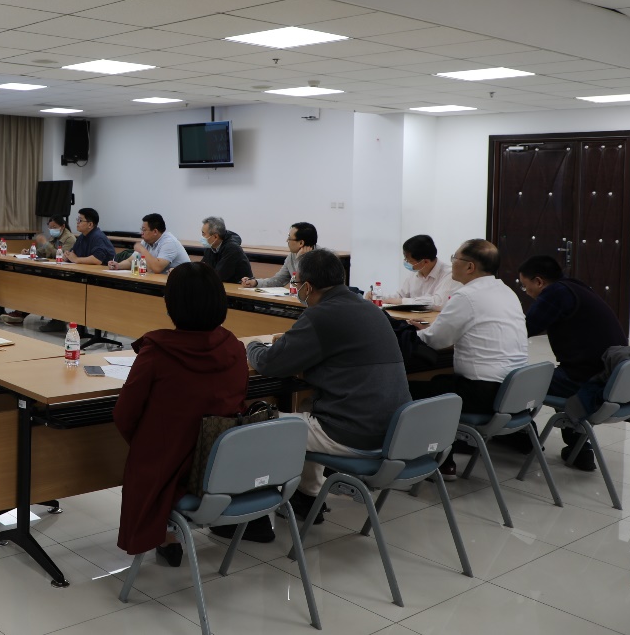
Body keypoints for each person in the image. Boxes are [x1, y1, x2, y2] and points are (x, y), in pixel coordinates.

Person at [246, 248, 411, 523]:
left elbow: (269, 364)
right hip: (394, 429)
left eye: (297, 283)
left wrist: (252, 345)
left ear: (308, 286)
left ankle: (253, 518)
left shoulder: (320, 315)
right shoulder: (369, 308)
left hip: (354, 433)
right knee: (307, 406)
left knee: (256, 422)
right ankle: (307, 497)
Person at [114, 262, 252, 566]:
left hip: (172, 470)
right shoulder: (233, 346)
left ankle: (166, 534)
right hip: (224, 466)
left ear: (171, 305)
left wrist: (153, 443)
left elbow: (124, 415)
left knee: (150, 455)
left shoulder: (158, 351)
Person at [407, 239, 528, 478]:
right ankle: (446, 457)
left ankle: (437, 462)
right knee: (440, 381)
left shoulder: (467, 296)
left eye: (455, 258)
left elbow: (434, 340)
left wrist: (413, 332)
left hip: (483, 392)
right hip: (514, 390)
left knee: (410, 389)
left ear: (470, 267)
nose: (452, 263)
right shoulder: (506, 292)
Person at [519, 255, 627, 472]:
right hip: (614, 376)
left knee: (517, 383)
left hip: (590, 378)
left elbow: (524, 329)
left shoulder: (555, 293)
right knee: (557, 377)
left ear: (539, 281)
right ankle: (580, 450)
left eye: (525, 286)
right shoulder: (575, 286)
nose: (526, 292)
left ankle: (516, 436)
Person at [12, 215, 76, 327]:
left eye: (54, 227)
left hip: (65, 273)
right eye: (50, 227)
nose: (52, 230)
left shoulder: (70, 239)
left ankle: (56, 320)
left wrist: (45, 243)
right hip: (51, 270)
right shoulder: (54, 237)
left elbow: (61, 256)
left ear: (62, 226)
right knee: (27, 276)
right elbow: (42, 251)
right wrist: (29, 252)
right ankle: (22, 310)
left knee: (41, 283)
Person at [371, 234, 460, 309]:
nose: (406, 262)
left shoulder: (450, 275)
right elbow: (400, 296)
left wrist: (403, 301)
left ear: (425, 261)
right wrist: (377, 297)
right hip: (411, 319)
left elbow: (438, 302)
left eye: (409, 260)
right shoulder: (415, 272)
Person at [242, 222, 318, 288]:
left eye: (289, 238)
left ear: (301, 243)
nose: (287, 240)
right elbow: (278, 280)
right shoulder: (292, 255)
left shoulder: (321, 258)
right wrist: (255, 282)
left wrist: (299, 260)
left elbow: (304, 286)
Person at [108, 213, 191, 274]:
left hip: (181, 283)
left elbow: (157, 268)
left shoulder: (169, 242)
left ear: (155, 231)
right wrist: (118, 265)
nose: (141, 233)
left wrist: (142, 250)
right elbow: (131, 261)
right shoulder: (146, 241)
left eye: (144, 230)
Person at [199, 216, 252, 283]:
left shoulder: (232, 249)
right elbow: (202, 268)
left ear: (215, 237)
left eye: (203, 233)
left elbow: (219, 275)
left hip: (238, 286)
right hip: (221, 284)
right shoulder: (210, 246)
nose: (202, 237)